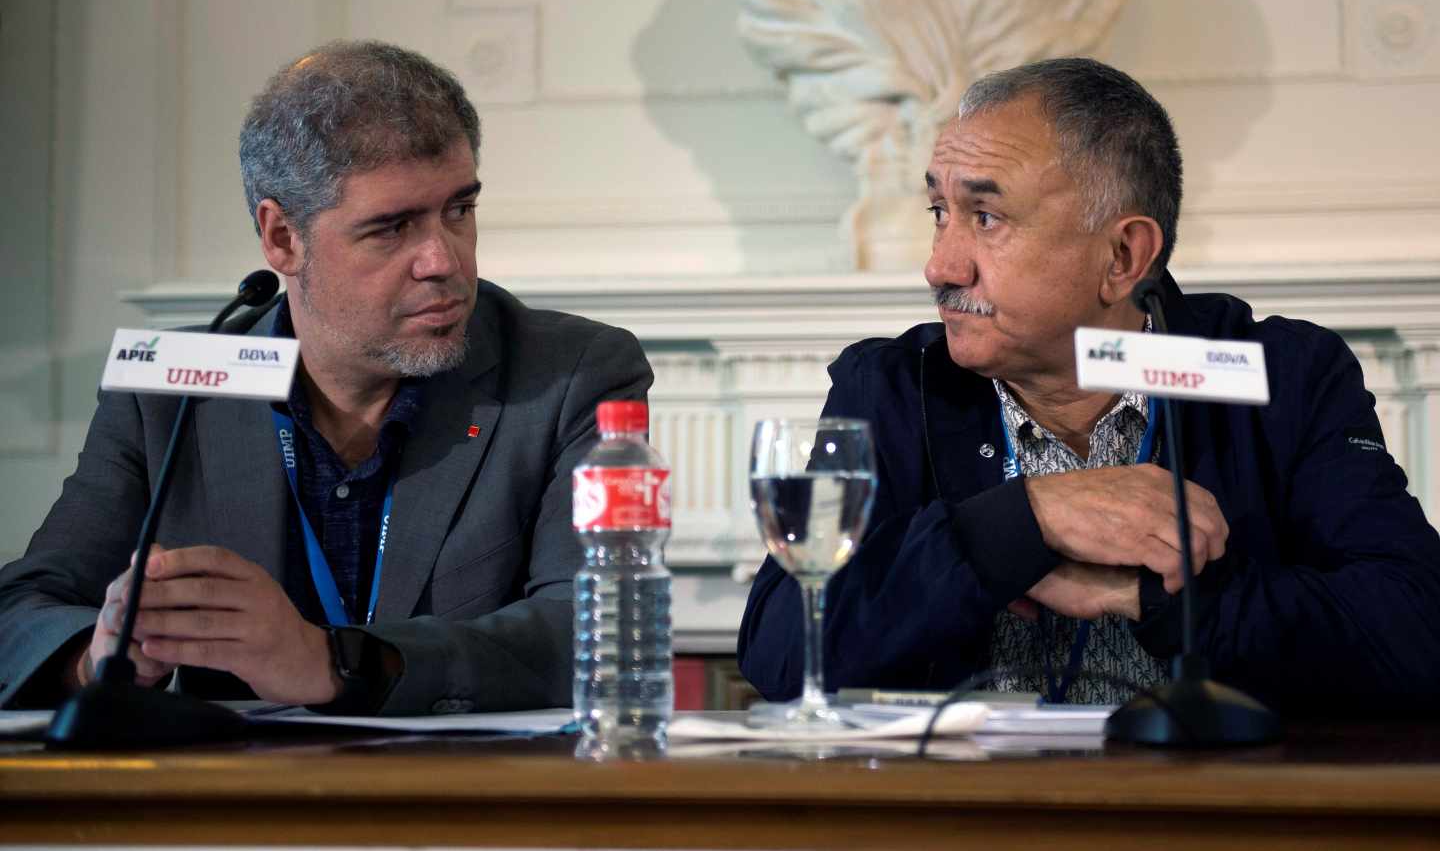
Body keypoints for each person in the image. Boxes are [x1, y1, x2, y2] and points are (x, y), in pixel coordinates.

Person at [738, 58, 1440, 712]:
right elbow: (778, 647)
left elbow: (1416, 631)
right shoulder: (891, 387)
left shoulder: (1280, 377)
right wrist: (1019, 525)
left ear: (1123, 255)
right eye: (939, 213)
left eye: (986, 218)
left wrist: (1155, 593)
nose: (941, 266)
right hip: (968, 827)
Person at [0, 41, 653, 715]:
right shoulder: (173, 391)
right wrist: (100, 652)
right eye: (392, 228)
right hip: (233, 810)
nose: (442, 260)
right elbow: (20, 611)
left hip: (473, 805)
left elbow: (603, 629)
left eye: (459, 210)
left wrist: (333, 663)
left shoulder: (571, 375)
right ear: (282, 238)